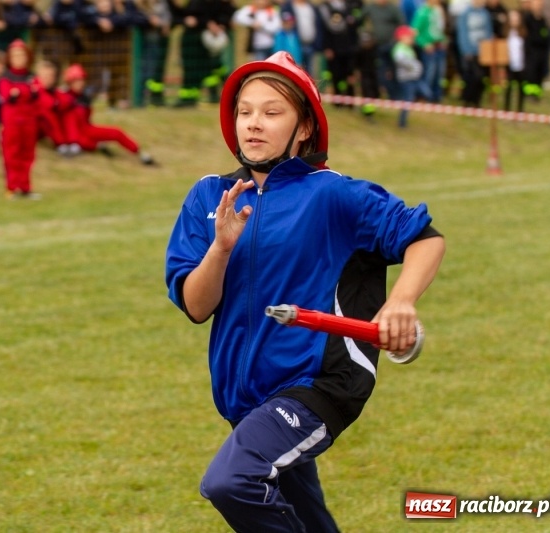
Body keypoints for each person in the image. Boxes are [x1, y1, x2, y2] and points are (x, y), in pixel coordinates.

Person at [165, 51, 445, 532]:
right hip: (244, 396)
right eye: (244, 111)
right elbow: (196, 305)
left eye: (272, 113)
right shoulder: (209, 197)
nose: (253, 124)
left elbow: (425, 239)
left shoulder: (333, 194)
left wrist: (401, 301)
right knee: (308, 519)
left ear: (305, 128)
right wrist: (221, 248)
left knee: (232, 481)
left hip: (319, 382)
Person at [60, 62, 155, 164]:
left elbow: (87, 121)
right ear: (70, 82)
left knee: (116, 133)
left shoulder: (84, 98)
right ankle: (98, 146)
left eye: (82, 80)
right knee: (85, 143)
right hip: (72, 136)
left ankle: (140, 153)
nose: (81, 83)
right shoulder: (63, 97)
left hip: (87, 129)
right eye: (77, 81)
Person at [0, 39, 41, 199]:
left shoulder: (31, 76)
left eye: (21, 55)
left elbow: (37, 94)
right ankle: (12, 187)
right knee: (12, 153)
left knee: (28, 153)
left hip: (29, 120)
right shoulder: (6, 77)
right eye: (15, 55)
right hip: (12, 121)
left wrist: (20, 93)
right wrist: (25, 93)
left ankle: (25, 187)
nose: (18, 58)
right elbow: (8, 95)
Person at [393, 25, 431, 126]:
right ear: (401, 37)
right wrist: (412, 66)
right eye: (409, 37)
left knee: (426, 92)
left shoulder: (409, 48)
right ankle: (402, 122)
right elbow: (400, 60)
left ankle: (417, 100)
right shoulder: (399, 48)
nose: (411, 39)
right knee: (408, 99)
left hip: (414, 77)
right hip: (406, 79)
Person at [456, 0, 492, 107]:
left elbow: (488, 31)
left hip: (482, 51)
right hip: (469, 51)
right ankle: (467, 99)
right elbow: (462, 33)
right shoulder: (465, 13)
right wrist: (466, 50)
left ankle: (477, 100)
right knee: (471, 76)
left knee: (481, 77)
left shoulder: (485, 13)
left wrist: (487, 48)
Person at [412, 0, 447, 102]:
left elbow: (439, 29)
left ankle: (437, 97)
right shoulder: (422, 12)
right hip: (429, 49)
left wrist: (443, 40)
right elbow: (414, 32)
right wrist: (424, 44)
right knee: (429, 74)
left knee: (439, 74)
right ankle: (426, 97)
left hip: (439, 47)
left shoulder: (437, 11)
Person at [504, 8, 526, 112]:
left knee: (521, 88)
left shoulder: (523, 33)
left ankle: (519, 109)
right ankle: (506, 108)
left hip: (521, 64)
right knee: (508, 88)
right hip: (509, 64)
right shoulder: (505, 33)